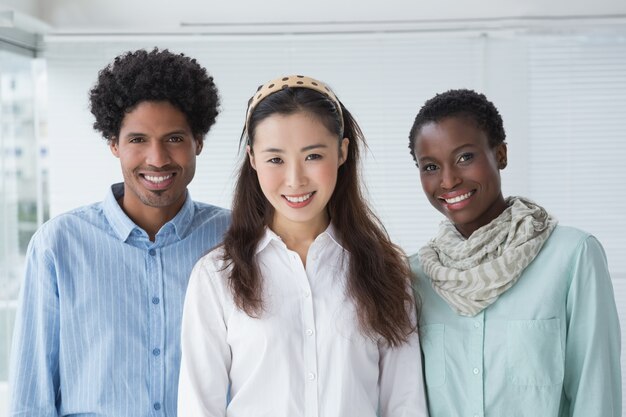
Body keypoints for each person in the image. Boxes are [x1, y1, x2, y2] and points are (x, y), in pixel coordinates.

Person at [177, 75, 428, 416]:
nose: (295, 179)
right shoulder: (217, 275)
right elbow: (198, 406)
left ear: (342, 151)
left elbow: (405, 402)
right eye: (275, 159)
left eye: (312, 156)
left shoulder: (385, 270)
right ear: (253, 159)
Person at [9, 48, 230, 417]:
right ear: (114, 143)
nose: (157, 158)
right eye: (138, 139)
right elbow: (31, 398)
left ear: (199, 142)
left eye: (174, 139)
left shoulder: (237, 237)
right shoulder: (57, 245)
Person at [408, 89, 621, 416]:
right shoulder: (414, 277)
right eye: (431, 166)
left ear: (501, 155)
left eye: (465, 157)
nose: (448, 180)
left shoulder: (572, 257)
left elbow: (596, 394)